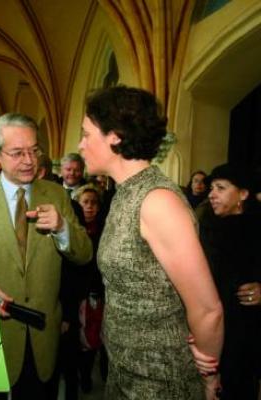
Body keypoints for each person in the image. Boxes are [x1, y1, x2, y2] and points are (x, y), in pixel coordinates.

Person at [78, 85, 224, 400]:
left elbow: (208, 309)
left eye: (87, 135)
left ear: (114, 136)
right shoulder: (124, 191)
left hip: (160, 380)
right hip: (124, 369)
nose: (80, 144)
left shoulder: (157, 201)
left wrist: (209, 376)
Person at [0, 112, 92, 399]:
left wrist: (62, 228)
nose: (29, 161)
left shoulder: (56, 195)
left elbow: (85, 254)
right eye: (17, 153)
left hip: (44, 336)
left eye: (34, 150)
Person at [199, 163, 261, 400]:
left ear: (243, 194)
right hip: (209, 329)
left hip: (246, 333)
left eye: (221, 188)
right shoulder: (205, 227)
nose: (211, 194)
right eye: (212, 188)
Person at [75, 185, 108, 393]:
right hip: (79, 296)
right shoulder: (72, 229)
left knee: (98, 340)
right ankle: (83, 376)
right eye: (85, 202)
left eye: (94, 203)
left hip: (100, 294)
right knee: (81, 342)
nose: (89, 207)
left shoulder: (105, 230)